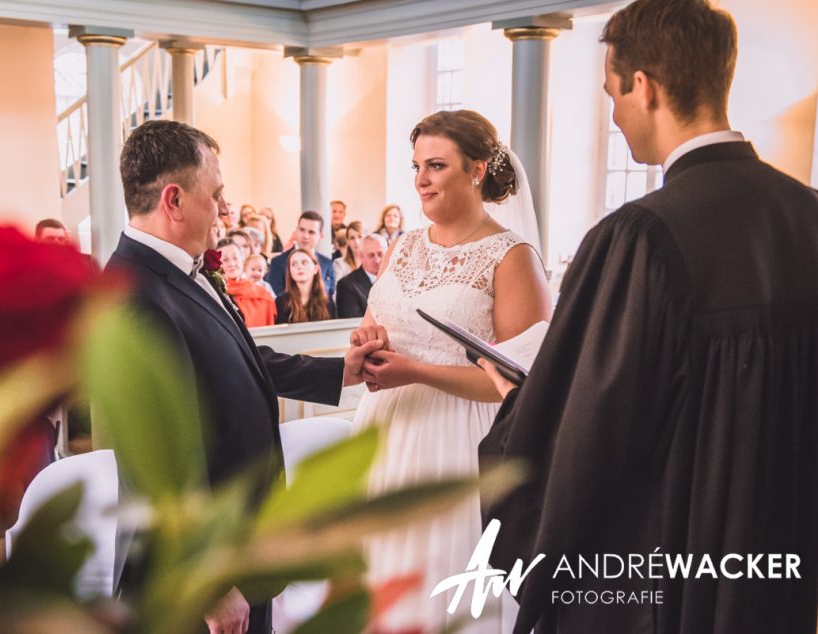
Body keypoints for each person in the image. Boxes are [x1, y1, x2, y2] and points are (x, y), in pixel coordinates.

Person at [478, 2, 818, 633]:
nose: (614, 112)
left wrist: (522, 404)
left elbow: (585, 436)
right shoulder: (810, 215)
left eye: (612, 92)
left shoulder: (639, 237)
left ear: (644, 86)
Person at [105, 120, 382, 634]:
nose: (226, 210)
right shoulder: (133, 295)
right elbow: (159, 462)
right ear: (174, 200)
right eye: (217, 195)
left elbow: (239, 357)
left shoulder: (184, 270)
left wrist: (339, 371)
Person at [348, 109, 552, 632]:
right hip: (385, 429)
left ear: (477, 169)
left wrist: (417, 372)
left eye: (436, 166)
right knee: (380, 580)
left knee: (446, 588)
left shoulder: (511, 257)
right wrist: (367, 342)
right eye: (417, 166)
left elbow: (519, 382)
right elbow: (376, 325)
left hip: (459, 442)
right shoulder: (404, 246)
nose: (420, 180)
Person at [266, 211, 336, 297]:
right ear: (296, 230)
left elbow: (330, 297)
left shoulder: (327, 263)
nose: (305, 236)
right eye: (302, 230)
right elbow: (277, 299)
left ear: (321, 235)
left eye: (311, 232)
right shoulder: (278, 262)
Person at [218, 238, 276, 327]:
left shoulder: (262, 293)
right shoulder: (216, 293)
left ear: (242, 260)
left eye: (235, 258)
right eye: (225, 260)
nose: (232, 263)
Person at [275, 248, 336, 324]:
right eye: (294, 264)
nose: (299, 267)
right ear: (290, 271)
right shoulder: (281, 302)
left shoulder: (327, 301)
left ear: (316, 269)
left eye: (304, 263)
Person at [335, 233, 385, 319]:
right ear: (361, 257)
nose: (377, 260)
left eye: (380, 254)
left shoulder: (398, 280)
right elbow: (353, 323)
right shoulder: (346, 285)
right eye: (371, 255)